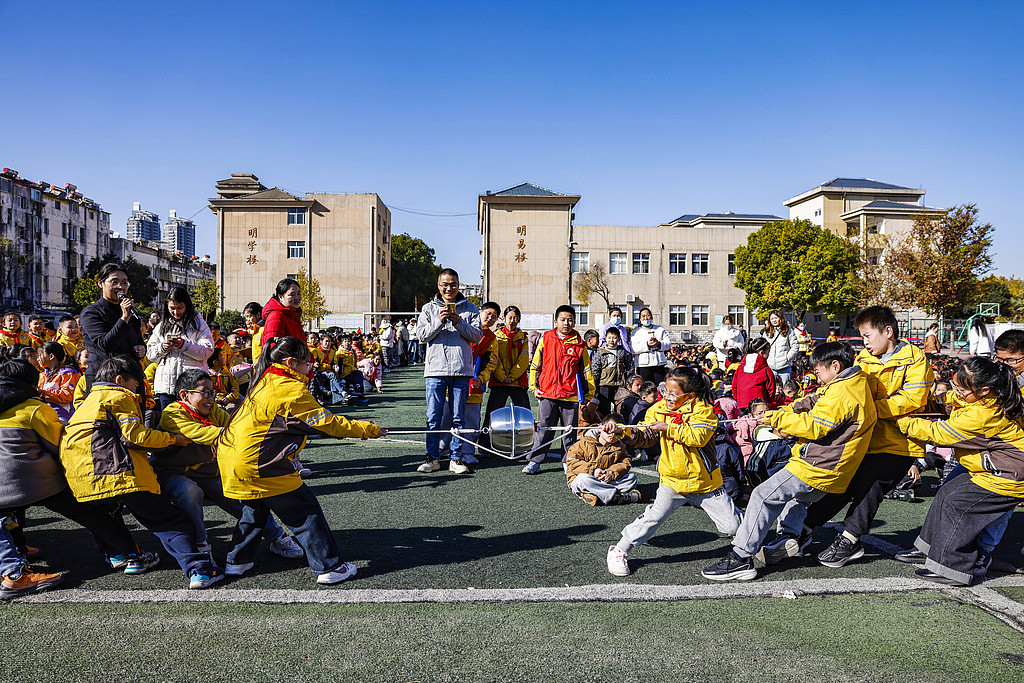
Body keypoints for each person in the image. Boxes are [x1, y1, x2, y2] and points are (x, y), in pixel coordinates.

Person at [215, 336, 385, 584]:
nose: (310, 368)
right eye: (307, 363)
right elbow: (326, 423)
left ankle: (237, 562)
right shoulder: (290, 388)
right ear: (292, 362)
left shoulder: (265, 381)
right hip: (261, 463)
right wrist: (366, 429)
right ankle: (329, 566)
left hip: (234, 461)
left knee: (255, 512)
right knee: (305, 511)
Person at [702, 342, 876, 580]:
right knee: (797, 500)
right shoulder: (850, 384)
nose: (818, 378)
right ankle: (790, 537)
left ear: (835, 366)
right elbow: (815, 401)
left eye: (818, 372)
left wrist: (776, 420)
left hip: (818, 465)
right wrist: (788, 411)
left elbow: (816, 426)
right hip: (833, 466)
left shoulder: (843, 392)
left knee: (763, 495)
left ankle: (740, 557)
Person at [60, 356, 224, 589]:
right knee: (168, 520)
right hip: (118, 472)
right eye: (136, 384)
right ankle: (200, 570)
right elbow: (135, 435)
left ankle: (125, 556)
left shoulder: (86, 403)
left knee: (105, 518)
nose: (138, 389)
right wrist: (172, 439)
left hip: (81, 477)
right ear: (120, 380)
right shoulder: (119, 396)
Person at [800, 306, 934, 568]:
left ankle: (849, 539)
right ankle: (802, 527)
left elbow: (913, 399)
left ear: (888, 331)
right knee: (843, 483)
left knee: (870, 487)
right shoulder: (863, 359)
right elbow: (847, 390)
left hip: (901, 442)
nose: (865, 342)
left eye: (867, 336)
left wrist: (867, 409)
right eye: (862, 337)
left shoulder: (915, 358)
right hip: (865, 439)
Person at [0, 358, 155, 582]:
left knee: (8, 513)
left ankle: (19, 553)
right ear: (31, 384)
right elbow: (59, 446)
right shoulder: (34, 409)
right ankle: (126, 553)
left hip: (4, 490)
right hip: (37, 482)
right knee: (91, 511)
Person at [893, 357, 1024, 585]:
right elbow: (953, 401)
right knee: (947, 492)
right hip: (993, 467)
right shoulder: (983, 398)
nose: (957, 391)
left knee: (958, 504)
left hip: (1008, 476)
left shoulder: (982, 416)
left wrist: (902, 421)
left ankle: (953, 568)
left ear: (983, 390)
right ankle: (932, 549)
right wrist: (936, 399)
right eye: (955, 384)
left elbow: (940, 433)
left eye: (962, 388)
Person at [158, 368, 303, 573]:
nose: (210, 398)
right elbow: (204, 433)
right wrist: (244, 434)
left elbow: (234, 424)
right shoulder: (172, 413)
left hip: (207, 472)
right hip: (175, 472)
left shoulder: (214, 410)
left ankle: (275, 535)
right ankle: (201, 545)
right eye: (204, 392)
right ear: (185, 395)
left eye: (212, 392)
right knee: (189, 491)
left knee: (242, 496)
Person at [606, 367, 743, 577]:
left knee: (733, 526)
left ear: (690, 395)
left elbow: (697, 437)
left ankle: (753, 536)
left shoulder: (705, 410)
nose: (667, 397)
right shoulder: (658, 409)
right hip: (672, 480)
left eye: (673, 394)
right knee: (652, 518)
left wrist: (667, 428)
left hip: (705, 483)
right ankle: (619, 550)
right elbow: (644, 434)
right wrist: (622, 431)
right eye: (665, 392)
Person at [413, 268, 482, 475]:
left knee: (458, 417)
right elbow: (421, 335)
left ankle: (456, 458)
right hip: (435, 370)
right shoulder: (428, 309)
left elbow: (477, 336)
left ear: (459, 285)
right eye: (445, 284)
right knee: (433, 417)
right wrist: (439, 320)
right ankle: (432, 457)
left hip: (461, 370)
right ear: (438, 286)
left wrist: (458, 321)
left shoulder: (470, 308)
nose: (449, 288)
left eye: (453, 284)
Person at [524, 305, 596, 474]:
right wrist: (534, 387)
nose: (566, 323)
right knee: (543, 429)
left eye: (570, 320)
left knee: (569, 432)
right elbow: (535, 365)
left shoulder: (580, 344)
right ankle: (535, 461)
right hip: (547, 393)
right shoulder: (546, 338)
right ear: (555, 321)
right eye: (563, 319)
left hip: (570, 395)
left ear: (575, 322)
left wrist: (589, 394)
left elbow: (587, 370)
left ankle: (568, 462)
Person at [79, 263, 147, 390]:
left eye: (124, 283)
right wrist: (124, 318)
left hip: (131, 377)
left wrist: (141, 349)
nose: (120, 287)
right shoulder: (91, 313)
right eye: (114, 282)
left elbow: (137, 341)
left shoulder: (130, 311)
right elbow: (106, 345)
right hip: (104, 378)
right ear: (101, 283)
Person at [146, 287, 215, 412]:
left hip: (192, 388)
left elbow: (207, 350)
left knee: (191, 424)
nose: (176, 312)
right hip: (166, 387)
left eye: (180, 308)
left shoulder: (198, 324)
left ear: (187, 306)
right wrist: (162, 348)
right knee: (168, 424)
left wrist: (184, 345)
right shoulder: (162, 326)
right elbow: (150, 354)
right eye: (172, 308)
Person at [566, 413, 643, 506]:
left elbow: (625, 462)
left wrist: (611, 473)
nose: (612, 435)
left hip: (606, 480)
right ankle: (616, 497)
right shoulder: (584, 442)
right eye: (608, 431)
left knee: (631, 478)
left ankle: (593, 493)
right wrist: (593, 471)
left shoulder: (619, 446)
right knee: (583, 480)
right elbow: (572, 461)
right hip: (588, 477)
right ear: (600, 428)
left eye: (616, 432)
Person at [458, 301, 498, 465]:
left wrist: (481, 379)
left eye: (494, 317)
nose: (490, 318)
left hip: (475, 385)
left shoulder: (491, 339)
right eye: (487, 313)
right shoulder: (463, 327)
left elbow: (491, 362)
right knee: (446, 418)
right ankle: (442, 451)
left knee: (472, 420)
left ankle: (468, 451)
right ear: (479, 312)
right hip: (454, 382)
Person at [483, 305, 532, 430]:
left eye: (515, 318)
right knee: (492, 414)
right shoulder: (496, 337)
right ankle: (485, 444)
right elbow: (494, 359)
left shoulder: (523, 338)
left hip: (518, 382)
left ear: (519, 320)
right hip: (499, 382)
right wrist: (502, 377)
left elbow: (524, 359)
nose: (512, 321)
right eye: (509, 318)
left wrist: (511, 377)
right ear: (504, 318)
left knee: (525, 415)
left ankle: (526, 444)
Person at [35, 342, 82, 424]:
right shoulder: (43, 375)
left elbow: (67, 395)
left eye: (40, 355)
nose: (38, 359)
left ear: (51, 356)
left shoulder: (68, 373)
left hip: (63, 417)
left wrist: (43, 392)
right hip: (46, 414)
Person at [592, 326, 634, 415]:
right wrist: (594, 386)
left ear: (618, 339)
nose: (611, 340)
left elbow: (630, 367)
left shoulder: (622, 352)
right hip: (604, 385)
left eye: (614, 338)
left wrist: (628, 381)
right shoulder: (600, 353)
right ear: (605, 338)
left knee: (620, 408)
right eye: (609, 338)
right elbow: (595, 371)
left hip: (619, 385)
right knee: (604, 409)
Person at [733, 337, 777, 412]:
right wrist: (769, 401)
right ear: (762, 352)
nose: (768, 355)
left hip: (742, 403)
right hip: (759, 406)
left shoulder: (740, 367)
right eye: (768, 353)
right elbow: (771, 389)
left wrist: (738, 398)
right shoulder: (766, 369)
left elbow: (734, 386)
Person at [630, 308, 670, 386]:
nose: (646, 318)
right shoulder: (636, 332)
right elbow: (633, 349)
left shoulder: (660, 329)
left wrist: (659, 344)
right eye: (643, 316)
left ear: (651, 317)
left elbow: (668, 344)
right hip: (643, 366)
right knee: (645, 388)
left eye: (648, 316)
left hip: (659, 364)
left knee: (660, 386)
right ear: (640, 318)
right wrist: (647, 345)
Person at [261, 280, 305, 349]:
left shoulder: (293, 315)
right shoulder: (276, 316)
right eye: (292, 295)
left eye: (298, 294)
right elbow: (273, 348)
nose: (297, 298)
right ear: (280, 297)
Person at [762, 310, 799, 382]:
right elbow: (762, 346)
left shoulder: (788, 331)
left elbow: (795, 346)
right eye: (772, 318)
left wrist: (787, 358)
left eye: (776, 318)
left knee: (785, 390)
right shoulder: (766, 332)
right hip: (770, 366)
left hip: (784, 367)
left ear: (780, 318)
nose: (774, 320)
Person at [208, 348, 240, 412]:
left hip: (227, 400)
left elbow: (235, 390)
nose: (224, 357)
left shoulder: (227, 374)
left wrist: (229, 398)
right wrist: (214, 399)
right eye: (221, 356)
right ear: (215, 362)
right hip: (212, 401)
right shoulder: (207, 376)